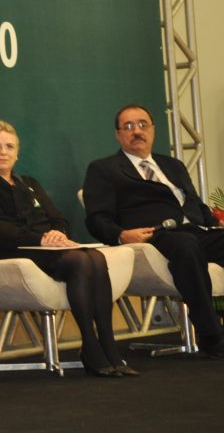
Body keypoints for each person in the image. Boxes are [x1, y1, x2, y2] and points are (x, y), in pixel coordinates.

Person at [0, 121, 137, 377]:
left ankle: (108, 346)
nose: (3, 152)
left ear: (17, 153)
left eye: (9, 146)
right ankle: (90, 345)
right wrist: (42, 238)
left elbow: (59, 219)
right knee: (80, 261)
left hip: (46, 247)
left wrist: (57, 234)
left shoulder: (29, 183)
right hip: (10, 251)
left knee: (95, 257)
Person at [83, 104, 224, 358]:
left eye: (142, 124)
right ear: (118, 134)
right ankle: (211, 334)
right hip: (155, 235)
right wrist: (121, 234)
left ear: (153, 130)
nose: (136, 131)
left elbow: (195, 204)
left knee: (199, 240)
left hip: (195, 229)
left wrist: (215, 225)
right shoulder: (104, 169)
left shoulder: (173, 165)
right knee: (186, 246)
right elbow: (96, 218)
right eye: (128, 126)